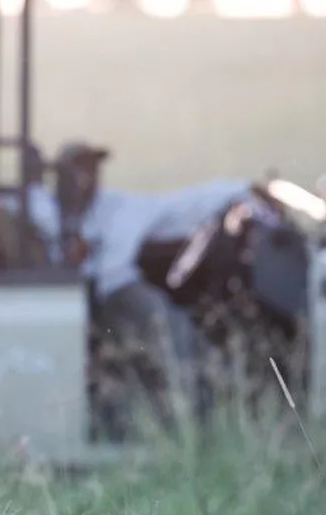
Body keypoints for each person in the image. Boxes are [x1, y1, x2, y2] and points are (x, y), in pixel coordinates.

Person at [51, 141, 259, 426]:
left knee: (166, 325)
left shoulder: (119, 208)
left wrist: (244, 189)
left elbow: (181, 205)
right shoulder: (41, 209)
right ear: (60, 177)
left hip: (117, 291)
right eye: (77, 171)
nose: (87, 178)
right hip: (64, 298)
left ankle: (205, 410)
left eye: (92, 169)